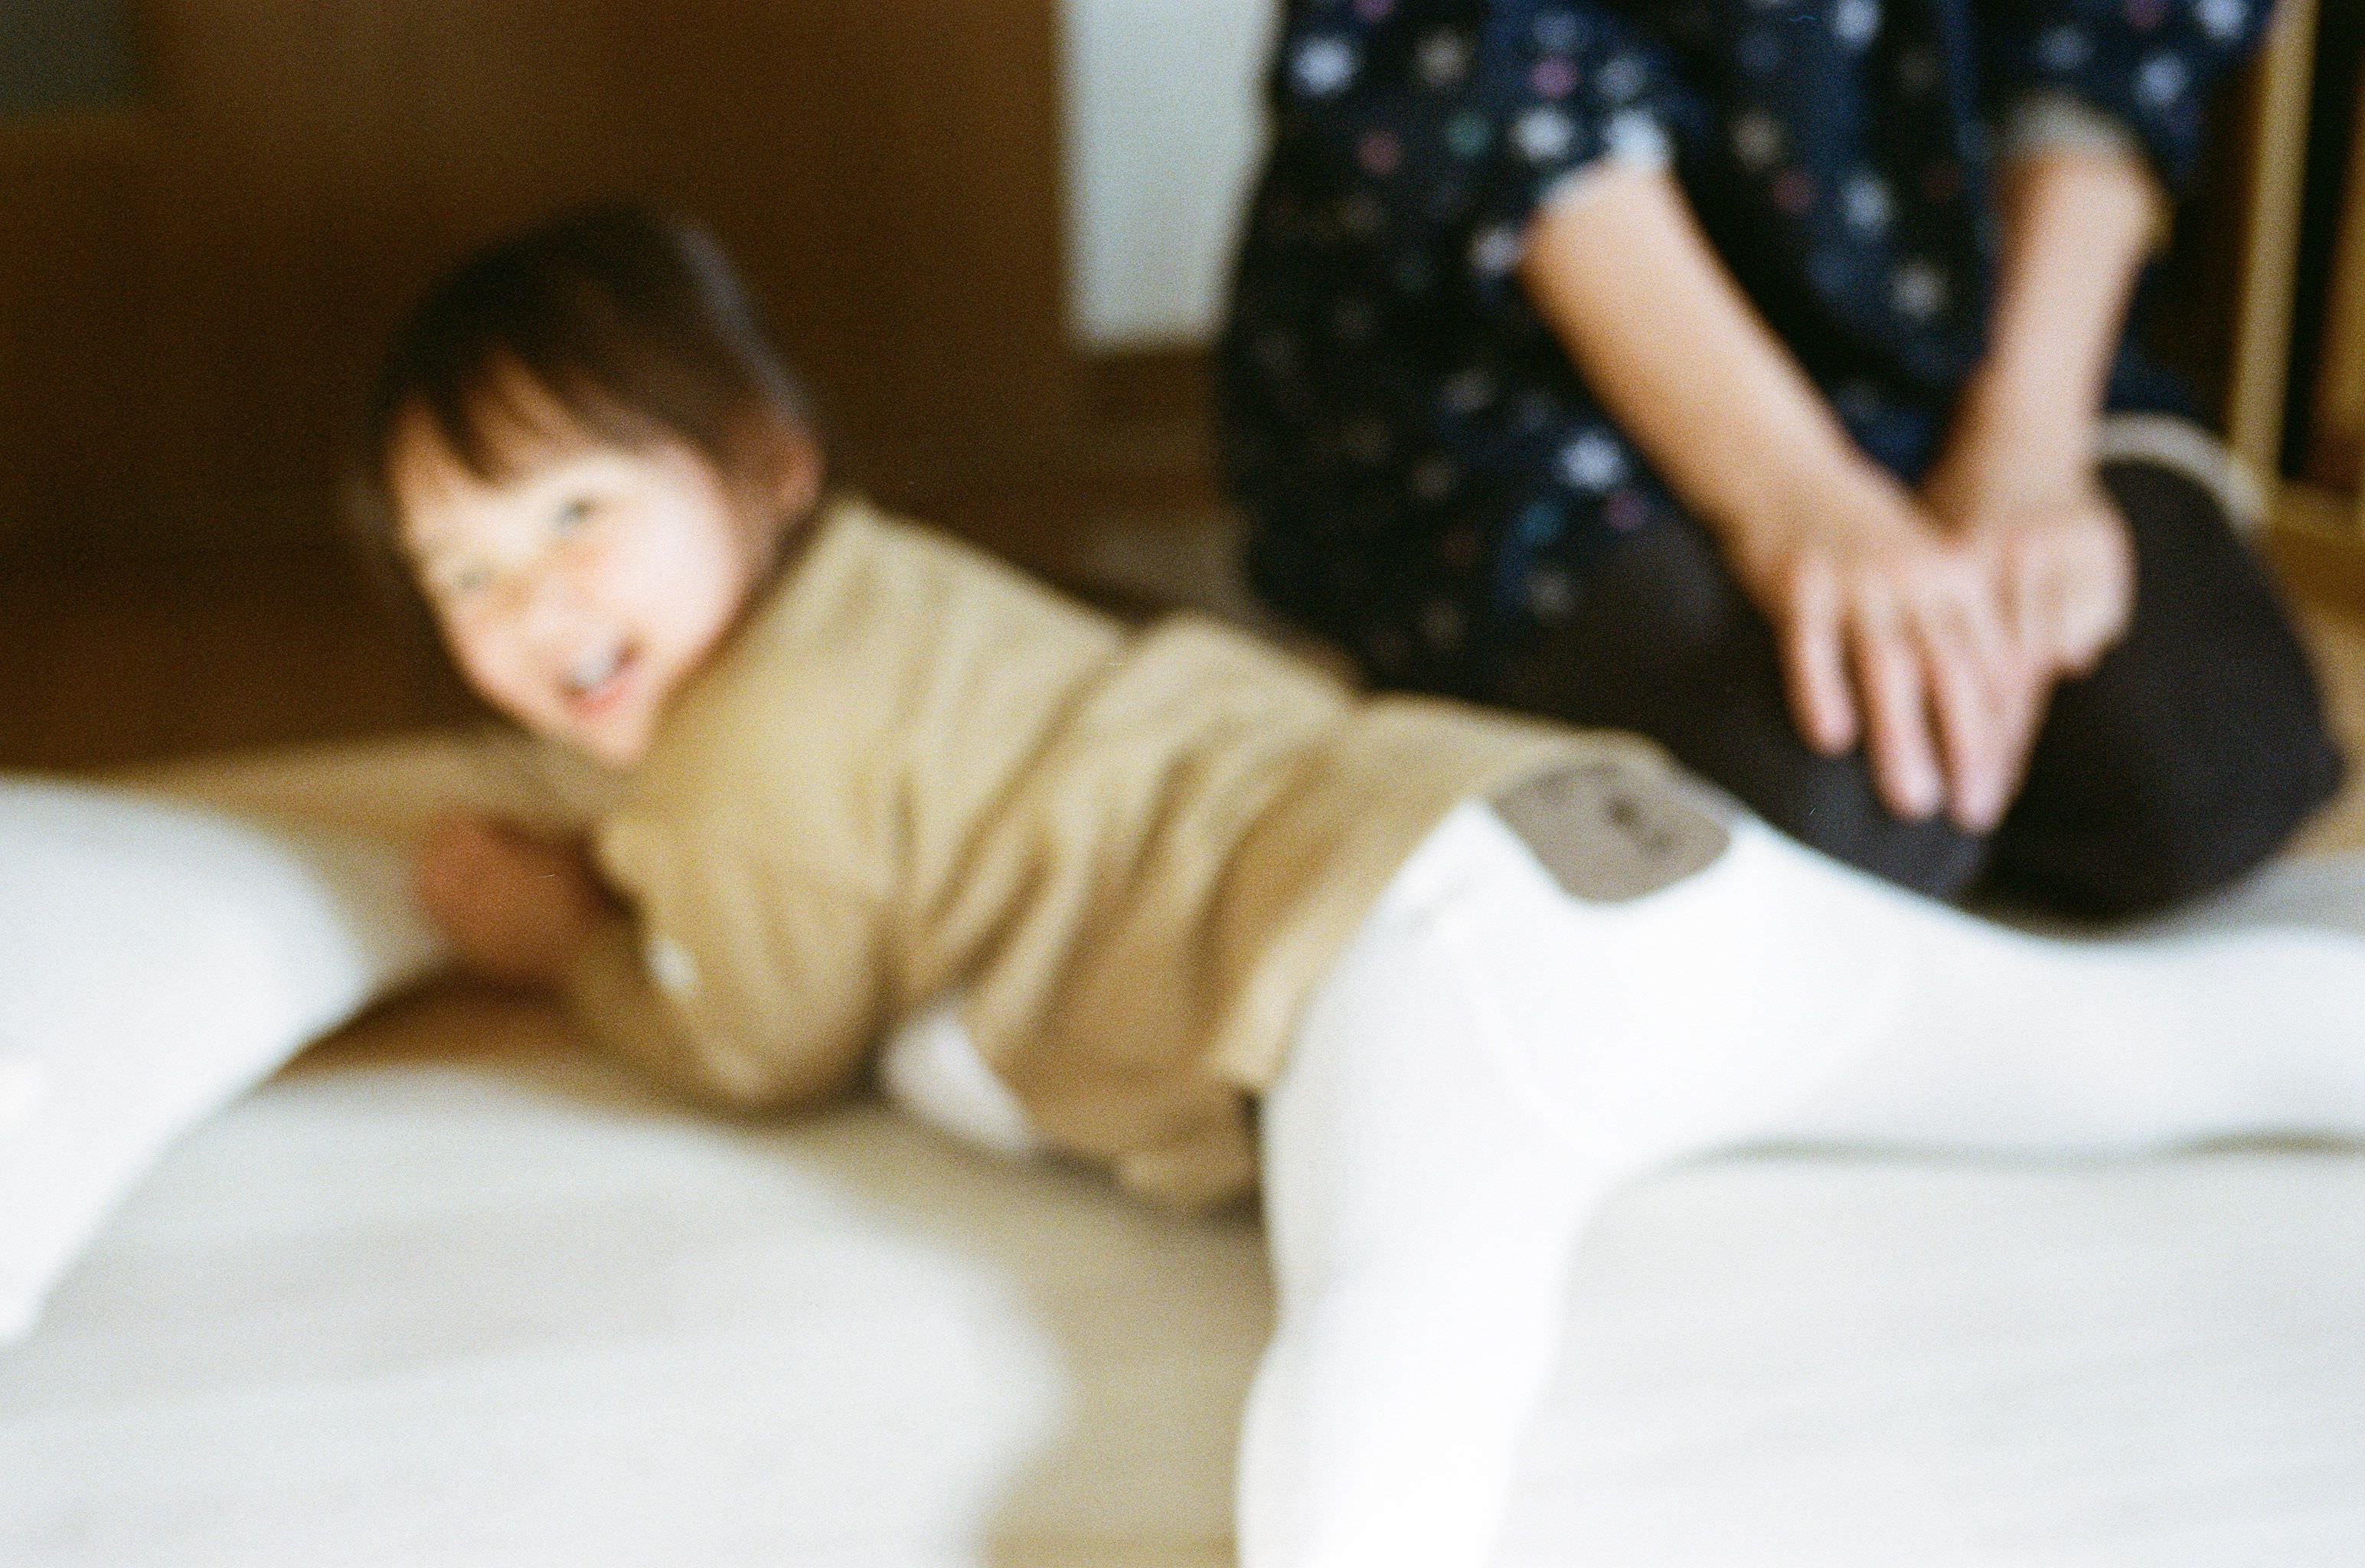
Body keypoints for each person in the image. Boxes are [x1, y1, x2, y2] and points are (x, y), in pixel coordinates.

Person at [368, 206, 2365, 1568]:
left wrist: (572, 944)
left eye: (574, 514)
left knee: (1404, 1337)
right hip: (1575, 825)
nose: (533, 601)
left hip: (1397, 960)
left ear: (765, 465)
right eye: (464, 571)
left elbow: (762, 1032)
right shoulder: (897, 584)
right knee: (2103, 1046)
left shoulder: (729, 764)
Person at [1220, 0, 2343, 915]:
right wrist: (1795, 495)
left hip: (1942, 302)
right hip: (1517, 339)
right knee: (1846, 807)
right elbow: (1484, 75)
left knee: (2204, 775)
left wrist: (2024, 449)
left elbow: (2117, 50)